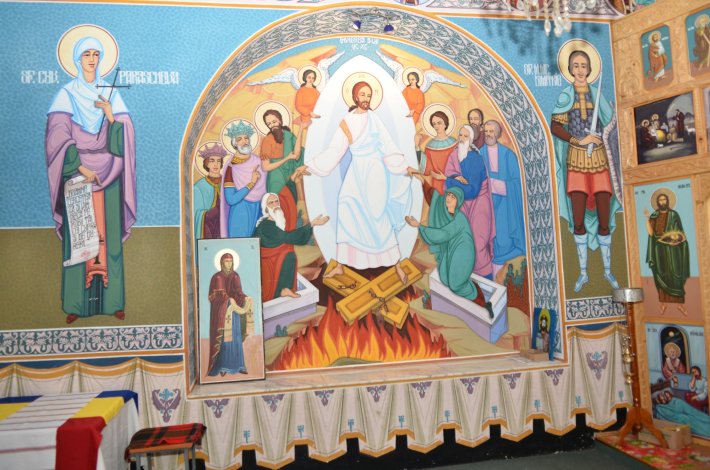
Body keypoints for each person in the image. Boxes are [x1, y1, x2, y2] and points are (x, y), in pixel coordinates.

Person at [45, 35, 136, 324]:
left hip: (110, 174)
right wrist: (81, 168)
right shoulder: (66, 94)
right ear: (77, 59)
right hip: (79, 176)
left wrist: (110, 116)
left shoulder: (111, 94)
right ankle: (76, 304)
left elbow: (125, 135)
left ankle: (113, 303)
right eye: (87, 54)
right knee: (79, 240)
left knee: (109, 238)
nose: (92, 60)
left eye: (96, 54)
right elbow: (57, 137)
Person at [307, 81, 416, 284]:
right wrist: (311, 166)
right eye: (363, 95)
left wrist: (404, 167)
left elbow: (388, 145)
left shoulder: (374, 119)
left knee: (377, 216)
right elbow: (335, 149)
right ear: (355, 96)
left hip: (375, 172)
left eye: (369, 95)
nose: (366, 99)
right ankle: (341, 264)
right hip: (356, 172)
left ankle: (397, 265)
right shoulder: (347, 121)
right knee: (346, 208)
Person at [551, 49, 621, 293]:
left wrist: (603, 134)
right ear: (570, 69)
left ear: (590, 69)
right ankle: (582, 273)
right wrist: (578, 140)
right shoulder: (566, 95)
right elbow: (556, 127)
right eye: (576, 66)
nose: (580, 70)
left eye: (584, 65)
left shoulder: (597, 94)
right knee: (578, 218)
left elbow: (610, 123)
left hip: (599, 159)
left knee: (604, 215)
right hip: (577, 159)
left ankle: (608, 271)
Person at [405, 184, 493, 318]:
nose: (449, 198)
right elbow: (433, 197)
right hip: (452, 249)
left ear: (458, 202)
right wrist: (423, 181)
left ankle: (483, 303)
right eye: (449, 195)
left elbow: (443, 234)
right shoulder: (445, 213)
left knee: (455, 284)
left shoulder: (459, 218)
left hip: (463, 253)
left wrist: (419, 226)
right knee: (445, 277)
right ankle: (470, 288)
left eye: (453, 197)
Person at [255, 170, 330, 301]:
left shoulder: (277, 217)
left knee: (289, 254)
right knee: (289, 255)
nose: (275, 205)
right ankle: (282, 289)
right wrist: (312, 224)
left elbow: (285, 200)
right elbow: (287, 237)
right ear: (266, 208)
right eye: (271, 203)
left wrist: (292, 181)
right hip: (266, 259)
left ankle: (285, 289)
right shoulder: (266, 224)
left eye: (276, 201)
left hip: (275, 253)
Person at [443, 124, 495, 279]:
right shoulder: (454, 155)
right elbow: (448, 177)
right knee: (462, 242)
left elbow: (472, 190)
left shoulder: (476, 159)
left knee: (478, 243)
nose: (462, 139)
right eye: (460, 135)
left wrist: (451, 180)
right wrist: (455, 179)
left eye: (465, 136)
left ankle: (486, 280)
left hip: (479, 204)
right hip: (462, 204)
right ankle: (466, 280)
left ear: (471, 139)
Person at [479, 120, 526, 278]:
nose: (488, 134)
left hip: (506, 206)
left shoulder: (508, 155)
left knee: (503, 239)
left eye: (492, 131)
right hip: (486, 205)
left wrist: (497, 184)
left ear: (498, 133)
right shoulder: (479, 154)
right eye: (486, 131)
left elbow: (517, 183)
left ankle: (500, 278)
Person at [644, 191, 690, 315]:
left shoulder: (674, 215)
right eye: (660, 200)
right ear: (657, 202)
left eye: (664, 199)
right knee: (661, 276)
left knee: (675, 275)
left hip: (674, 249)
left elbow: (681, 233)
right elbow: (651, 233)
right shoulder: (654, 215)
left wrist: (677, 241)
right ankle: (663, 304)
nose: (662, 202)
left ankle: (680, 305)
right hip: (659, 250)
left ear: (668, 201)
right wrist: (647, 218)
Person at [220, 120, 267, 238]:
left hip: (260, 211)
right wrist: (251, 183)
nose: (244, 141)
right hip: (240, 213)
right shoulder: (232, 167)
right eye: (239, 139)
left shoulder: (259, 161)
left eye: (246, 138)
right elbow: (231, 199)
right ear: (234, 144)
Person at [207, 253, 250, 377]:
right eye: (226, 261)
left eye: (231, 261)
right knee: (225, 339)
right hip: (222, 313)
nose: (229, 264)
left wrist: (246, 298)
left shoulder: (235, 276)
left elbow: (239, 292)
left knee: (236, 338)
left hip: (234, 313)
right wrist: (229, 300)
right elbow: (218, 295)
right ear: (221, 263)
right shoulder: (217, 277)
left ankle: (239, 365)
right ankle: (223, 366)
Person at [194, 143, 228, 240]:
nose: (216, 164)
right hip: (208, 229)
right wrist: (215, 210)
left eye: (218, 161)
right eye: (212, 161)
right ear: (206, 163)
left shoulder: (227, 183)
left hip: (225, 227)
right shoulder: (199, 187)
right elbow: (197, 214)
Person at [422, 110, 457, 195]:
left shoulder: (455, 143)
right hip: (437, 183)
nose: (436, 126)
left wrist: (448, 177)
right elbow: (428, 169)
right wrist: (436, 176)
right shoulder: (429, 146)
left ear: (445, 124)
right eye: (434, 124)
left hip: (453, 181)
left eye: (439, 123)